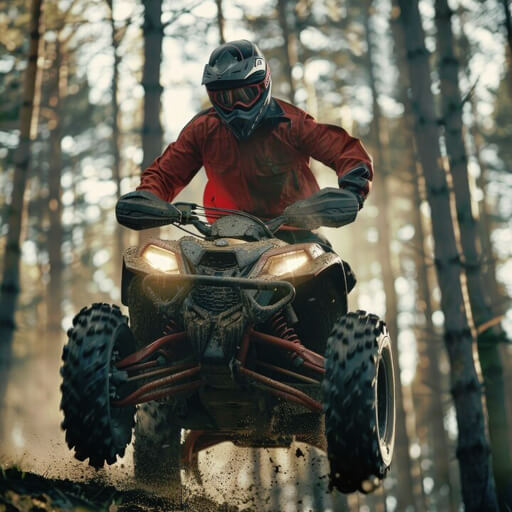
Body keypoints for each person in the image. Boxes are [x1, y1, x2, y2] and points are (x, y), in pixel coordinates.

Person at [128, 40, 373, 246]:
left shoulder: (292, 124)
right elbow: (165, 174)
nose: (235, 106)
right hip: (223, 239)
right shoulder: (203, 129)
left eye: (244, 96)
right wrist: (147, 200)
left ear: (263, 85)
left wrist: (352, 192)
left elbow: (344, 149)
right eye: (223, 98)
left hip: (294, 236)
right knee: (159, 280)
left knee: (331, 278)